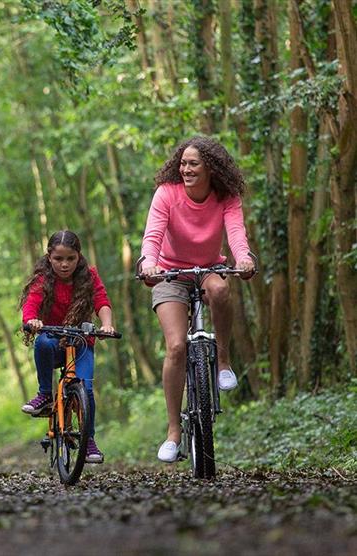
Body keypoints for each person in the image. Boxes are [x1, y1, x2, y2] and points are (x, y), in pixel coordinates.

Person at [138, 136, 255, 464]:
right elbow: (153, 235)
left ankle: (222, 361)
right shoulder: (167, 194)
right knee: (176, 347)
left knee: (219, 290)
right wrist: (149, 262)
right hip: (169, 273)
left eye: (193, 164)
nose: (185, 169)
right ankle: (174, 431)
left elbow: (236, 234)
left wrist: (243, 258)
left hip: (208, 268)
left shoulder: (226, 197)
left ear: (211, 168)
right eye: (183, 163)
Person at [19, 230, 116, 464]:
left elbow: (101, 301)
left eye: (70, 259)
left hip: (80, 342)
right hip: (52, 339)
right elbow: (31, 305)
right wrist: (32, 321)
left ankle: (88, 439)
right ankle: (44, 395)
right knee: (42, 342)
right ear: (49, 257)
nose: (64, 264)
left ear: (79, 256)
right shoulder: (43, 279)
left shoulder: (89, 276)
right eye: (58, 259)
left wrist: (107, 325)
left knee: (86, 388)